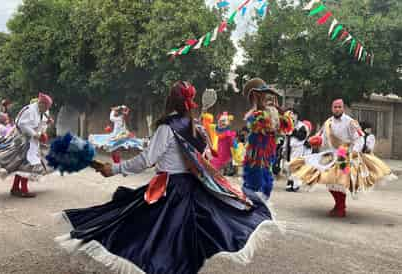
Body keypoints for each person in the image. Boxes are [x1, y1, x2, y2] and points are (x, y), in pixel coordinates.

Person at [55, 81, 273, 274]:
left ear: (170, 100)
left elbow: (146, 160)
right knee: (185, 237)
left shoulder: (168, 127)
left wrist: (114, 169)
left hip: (170, 189)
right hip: (192, 188)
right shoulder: (194, 126)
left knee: (144, 229)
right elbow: (204, 155)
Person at [290, 99, 397, 217]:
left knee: (341, 181)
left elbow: (359, 139)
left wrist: (355, 153)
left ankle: (341, 207)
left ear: (343, 108)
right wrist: (316, 141)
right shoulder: (328, 122)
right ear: (332, 108)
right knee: (328, 180)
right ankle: (338, 204)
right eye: (335, 107)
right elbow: (323, 139)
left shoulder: (350, 122)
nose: (337, 109)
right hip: (330, 154)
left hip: (344, 154)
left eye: (339, 107)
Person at [0, 93, 54, 197]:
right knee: (27, 165)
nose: (46, 109)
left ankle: (15, 188)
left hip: (31, 142)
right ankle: (23, 190)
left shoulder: (41, 111)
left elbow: (38, 124)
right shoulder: (29, 110)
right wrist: (35, 135)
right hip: (23, 141)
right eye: (46, 107)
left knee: (21, 166)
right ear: (41, 103)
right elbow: (21, 123)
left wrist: (46, 123)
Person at [242, 78, 294, 200]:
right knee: (255, 179)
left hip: (268, 154)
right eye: (264, 95)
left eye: (268, 95)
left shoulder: (273, 112)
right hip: (256, 155)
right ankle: (254, 202)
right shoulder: (254, 114)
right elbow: (260, 127)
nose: (268, 98)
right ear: (256, 97)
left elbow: (283, 126)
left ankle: (261, 202)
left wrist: (280, 113)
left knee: (266, 179)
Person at [284, 109, 313, 192]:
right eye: (290, 114)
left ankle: (295, 184)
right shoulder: (288, 125)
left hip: (298, 148)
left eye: (293, 114)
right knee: (289, 165)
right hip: (289, 147)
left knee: (295, 165)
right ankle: (290, 182)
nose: (291, 116)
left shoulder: (302, 126)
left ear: (297, 115)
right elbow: (286, 136)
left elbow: (302, 136)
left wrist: (293, 131)